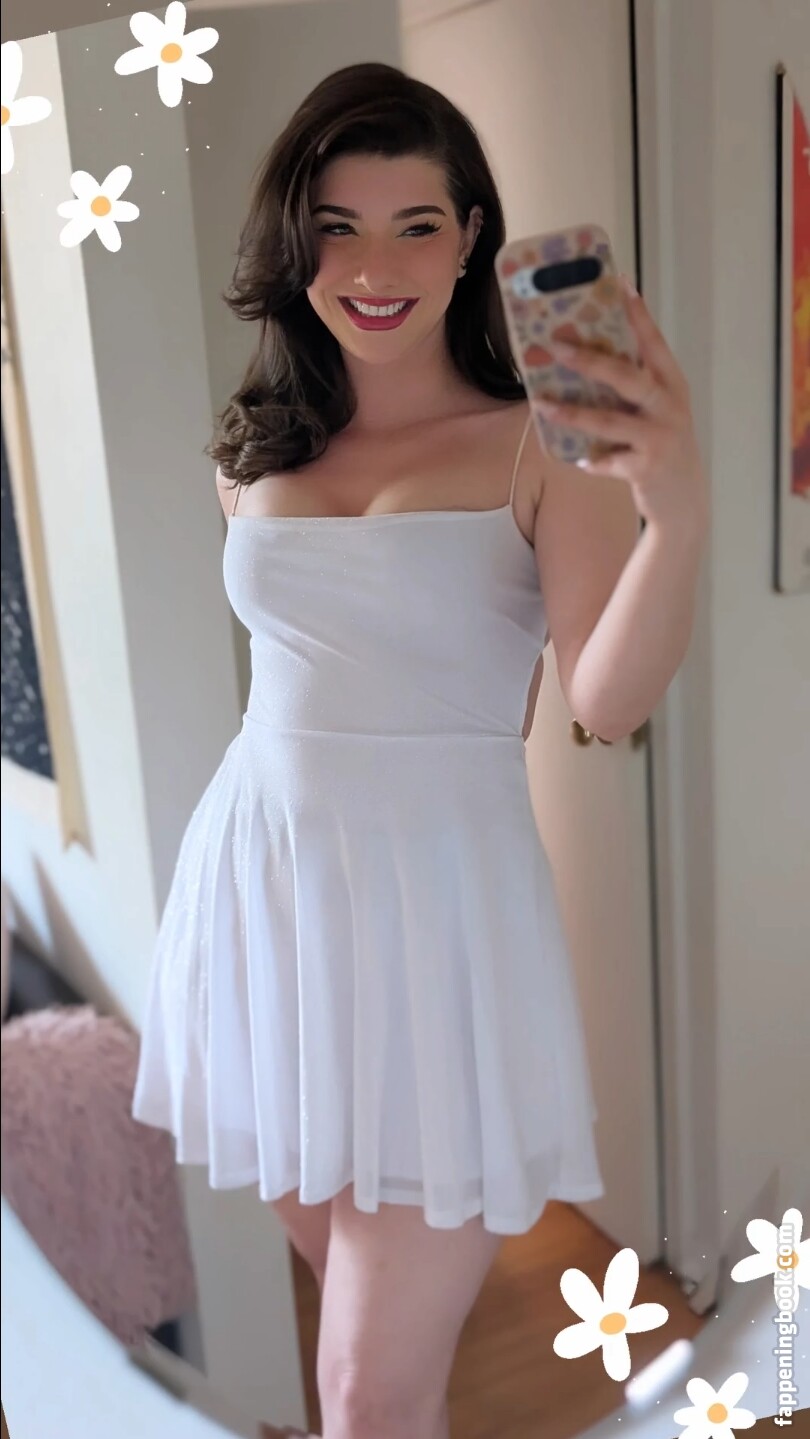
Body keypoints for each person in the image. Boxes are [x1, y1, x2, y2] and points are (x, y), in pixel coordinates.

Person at [132, 61, 708, 1439]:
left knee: (361, 1389)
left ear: (471, 241)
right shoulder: (255, 448)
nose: (373, 268)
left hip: (435, 933)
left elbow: (605, 696)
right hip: (265, 910)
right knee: (377, 1364)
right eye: (336, 228)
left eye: (416, 225)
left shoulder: (540, 447)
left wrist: (676, 510)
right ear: (294, 245)